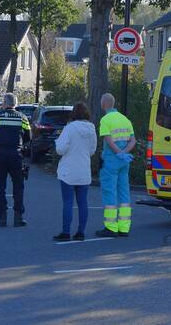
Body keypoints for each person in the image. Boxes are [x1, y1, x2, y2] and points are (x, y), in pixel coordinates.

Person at [0, 92, 31, 227]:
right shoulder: (23, 118)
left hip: (0, 154)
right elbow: (29, 136)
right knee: (18, 186)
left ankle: (2, 217)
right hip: (16, 154)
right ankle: (18, 217)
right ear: (15, 104)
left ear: (5, 103)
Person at [53, 102, 97, 241]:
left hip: (68, 171)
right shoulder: (91, 129)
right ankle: (80, 232)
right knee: (83, 202)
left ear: (74, 114)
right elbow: (92, 150)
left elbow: (60, 149)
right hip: (83, 170)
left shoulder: (70, 128)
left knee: (68, 202)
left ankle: (66, 232)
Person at [96, 93, 136, 238]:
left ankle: (111, 226)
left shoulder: (106, 119)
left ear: (103, 104)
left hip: (111, 160)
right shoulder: (125, 119)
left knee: (109, 192)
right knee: (124, 192)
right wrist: (124, 153)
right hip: (124, 161)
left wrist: (118, 152)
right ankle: (124, 227)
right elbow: (133, 141)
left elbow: (108, 140)